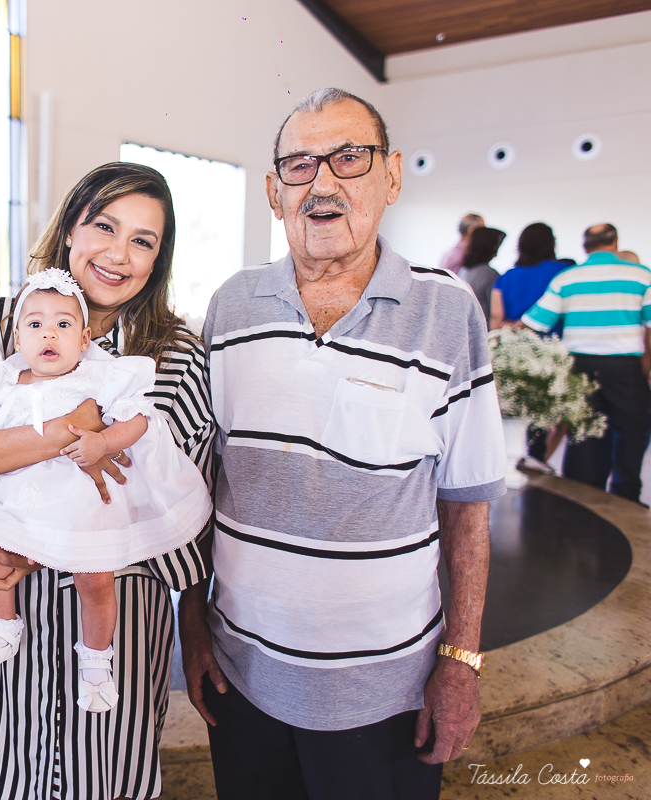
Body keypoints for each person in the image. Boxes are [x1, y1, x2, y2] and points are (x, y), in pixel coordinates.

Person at [181, 88, 505, 800]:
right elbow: (198, 488)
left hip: (386, 690)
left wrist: (461, 662)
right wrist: (194, 626)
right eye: (298, 165)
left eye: (348, 158)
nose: (322, 182)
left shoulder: (447, 310)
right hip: (242, 675)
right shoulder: (232, 306)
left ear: (390, 176)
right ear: (274, 192)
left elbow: (468, 508)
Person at [0, 162, 215, 800]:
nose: (118, 252)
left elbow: (175, 487)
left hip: (118, 607)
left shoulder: (174, 351)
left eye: (142, 240)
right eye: (104, 226)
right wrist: (70, 433)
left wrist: (196, 619)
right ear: (70, 229)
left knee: (103, 776)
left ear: (158, 260)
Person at [0, 269, 211, 713]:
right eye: (35, 325)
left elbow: (139, 418)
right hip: (21, 504)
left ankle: (97, 658)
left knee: (94, 581)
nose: (48, 334)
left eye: (63, 324)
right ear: (17, 338)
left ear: (84, 338)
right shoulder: (4, 379)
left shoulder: (97, 378)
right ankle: (3, 627)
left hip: (79, 506)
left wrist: (104, 442)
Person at [522, 223, 651, 503]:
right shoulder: (642, 275)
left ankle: (582, 497)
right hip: (625, 367)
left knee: (583, 432)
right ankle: (626, 496)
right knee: (631, 432)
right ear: (615, 242)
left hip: (577, 366)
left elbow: (536, 322)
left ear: (585, 246)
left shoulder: (567, 278)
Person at [490, 222, 571, 473]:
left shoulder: (507, 277)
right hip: (551, 353)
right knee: (549, 415)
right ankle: (540, 460)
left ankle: (515, 462)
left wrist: (514, 328)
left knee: (514, 413)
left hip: (511, 355)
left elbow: (495, 320)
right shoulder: (564, 272)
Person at [458, 226, 505, 316]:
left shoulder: (463, 270)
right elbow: (495, 311)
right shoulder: (489, 274)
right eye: (496, 246)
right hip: (483, 326)